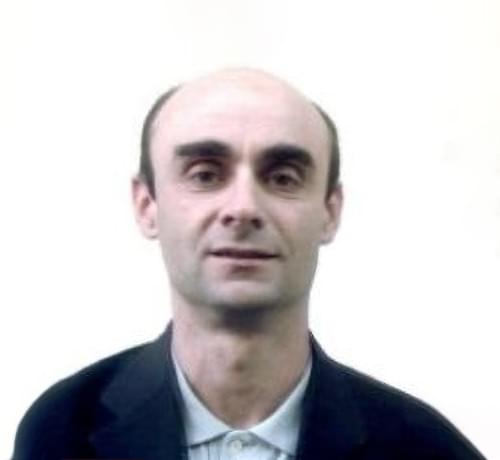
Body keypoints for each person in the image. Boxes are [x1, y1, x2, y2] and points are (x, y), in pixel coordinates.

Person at [13, 68, 486, 460]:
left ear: (330, 211)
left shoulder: (427, 449)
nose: (243, 207)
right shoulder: (61, 431)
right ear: (146, 205)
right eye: (205, 174)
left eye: (283, 177)